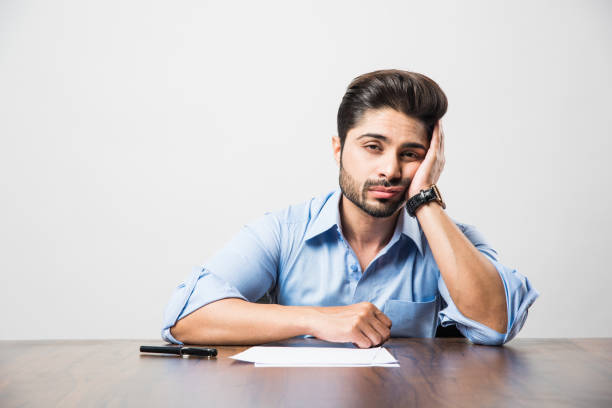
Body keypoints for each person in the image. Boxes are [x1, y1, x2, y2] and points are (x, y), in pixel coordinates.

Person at [161, 69, 538, 348]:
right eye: (373, 147)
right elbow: (185, 317)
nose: (390, 169)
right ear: (339, 150)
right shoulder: (284, 231)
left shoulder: (452, 241)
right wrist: (319, 320)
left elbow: (496, 326)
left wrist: (425, 199)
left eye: (410, 154)